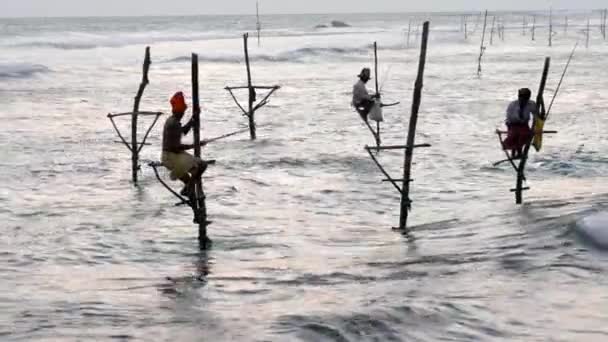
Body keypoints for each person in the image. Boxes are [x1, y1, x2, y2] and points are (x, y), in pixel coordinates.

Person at [161, 91, 207, 197]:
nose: (183, 114)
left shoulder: (172, 120)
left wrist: (192, 119)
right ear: (178, 112)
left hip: (168, 155)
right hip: (171, 156)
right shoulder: (173, 124)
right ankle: (189, 190)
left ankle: (188, 191)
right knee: (202, 165)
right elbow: (176, 148)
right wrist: (195, 145)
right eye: (182, 112)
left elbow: (182, 132)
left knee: (192, 175)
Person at [503, 88, 538, 158]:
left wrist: (535, 124)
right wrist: (518, 122)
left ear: (528, 98)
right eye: (521, 97)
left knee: (523, 136)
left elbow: (535, 114)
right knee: (514, 137)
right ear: (519, 97)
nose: (522, 100)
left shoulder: (531, 104)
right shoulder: (513, 105)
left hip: (524, 124)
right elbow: (510, 118)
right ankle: (514, 153)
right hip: (512, 124)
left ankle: (519, 153)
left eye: (525, 98)